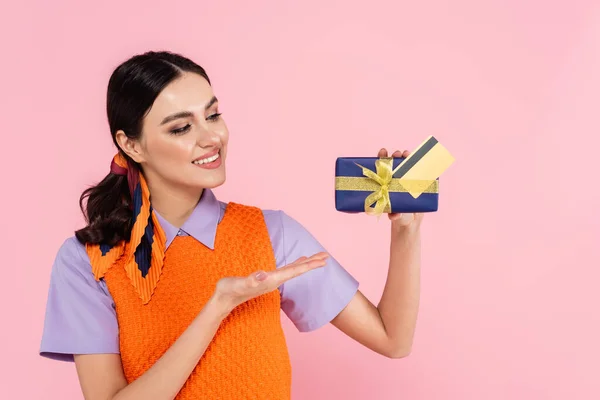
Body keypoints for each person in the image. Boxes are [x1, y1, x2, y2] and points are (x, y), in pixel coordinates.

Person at [39, 50, 423, 400]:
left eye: (213, 115)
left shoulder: (273, 234)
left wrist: (406, 231)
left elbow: (393, 339)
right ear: (132, 146)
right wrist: (219, 306)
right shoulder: (90, 260)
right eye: (180, 128)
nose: (212, 138)